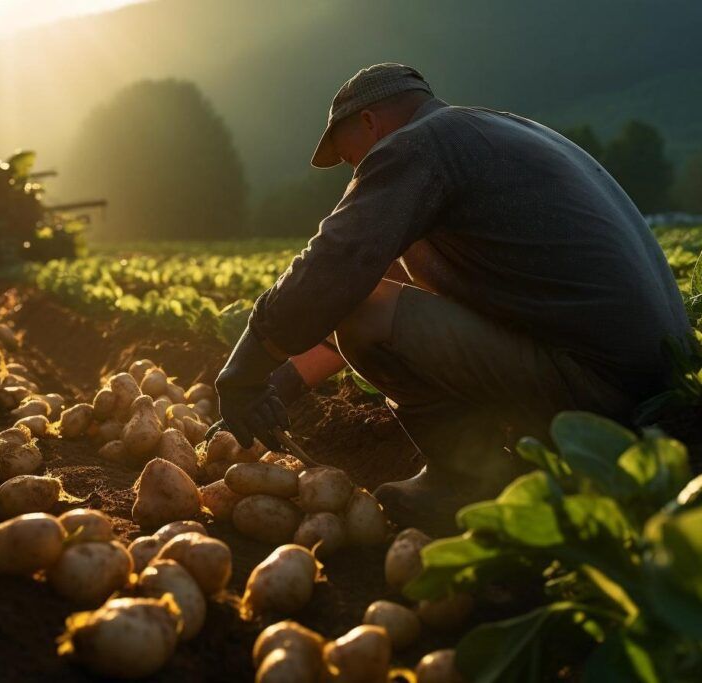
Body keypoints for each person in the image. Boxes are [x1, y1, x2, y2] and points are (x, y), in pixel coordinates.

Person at [214, 63, 690, 534]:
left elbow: (339, 268)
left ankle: (467, 481)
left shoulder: (416, 146)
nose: (354, 173)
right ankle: (498, 464)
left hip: (602, 397)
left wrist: (243, 371)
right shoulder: (486, 135)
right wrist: (280, 384)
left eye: (349, 158)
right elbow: (364, 283)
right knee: (366, 302)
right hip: (651, 390)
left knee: (363, 315)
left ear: (369, 122)